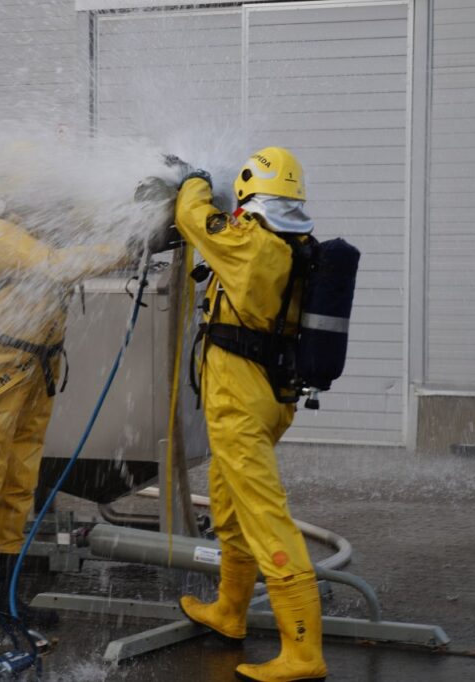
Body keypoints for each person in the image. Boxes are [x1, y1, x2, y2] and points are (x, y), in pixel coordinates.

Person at [0, 198, 135, 640]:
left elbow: (88, 235)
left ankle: (1, 602)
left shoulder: (40, 229)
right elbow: (56, 266)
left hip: (34, 367)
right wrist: (129, 247)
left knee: (18, 485)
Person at [172, 147, 327, 682]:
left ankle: (303, 651)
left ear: (247, 189)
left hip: (240, 399)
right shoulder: (296, 242)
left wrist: (194, 179)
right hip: (270, 394)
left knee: (264, 516)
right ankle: (229, 610)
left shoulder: (247, 242)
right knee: (228, 499)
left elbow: (191, 215)